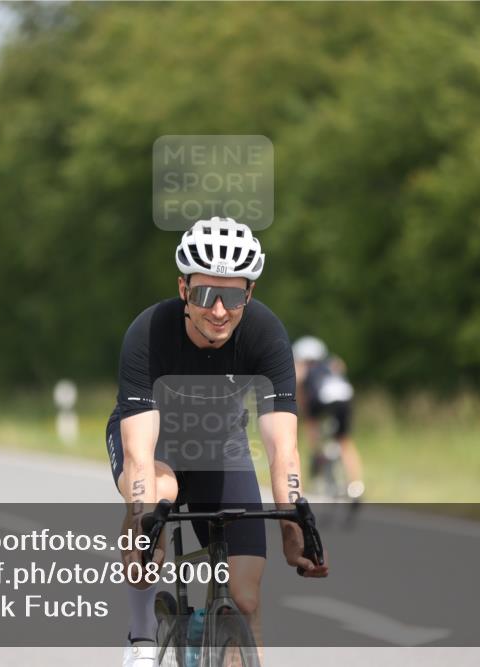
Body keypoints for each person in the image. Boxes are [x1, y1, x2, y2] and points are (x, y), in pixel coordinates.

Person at [107, 217, 328, 667]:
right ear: (184, 289)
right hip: (157, 445)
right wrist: (142, 522)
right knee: (155, 500)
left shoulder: (266, 335)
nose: (219, 310)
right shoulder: (149, 332)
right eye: (206, 294)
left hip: (220, 446)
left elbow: (282, 447)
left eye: (232, 295)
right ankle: (142, 635)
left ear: (248, 294)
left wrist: (295, 530)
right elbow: (137, 452)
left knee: (245, 598)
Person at [292, 336, 365, 502]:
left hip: (321, 399)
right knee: (345, 441)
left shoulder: (303, 369)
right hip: (345, 397)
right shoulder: (332, 363)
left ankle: (317, 456)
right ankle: (356, 485)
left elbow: (302, 394)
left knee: (312, 426)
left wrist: (304, 413)